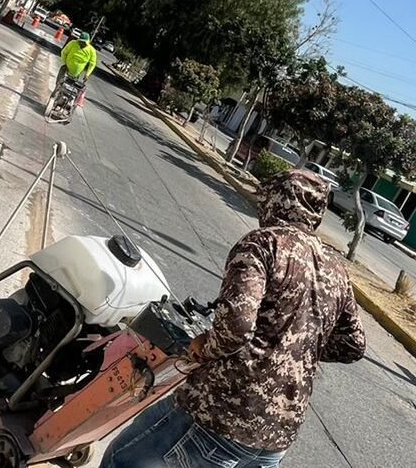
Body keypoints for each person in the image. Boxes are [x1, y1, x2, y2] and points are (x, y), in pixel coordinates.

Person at [101, 169, 367, 468]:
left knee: (120, 459)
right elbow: (353, 345)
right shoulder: (336, 268)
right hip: (276, 438)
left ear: (275, 199)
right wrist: (296, 347)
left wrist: (206, 347)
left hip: (221, 415)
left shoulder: (263, 244)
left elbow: (236, 328)